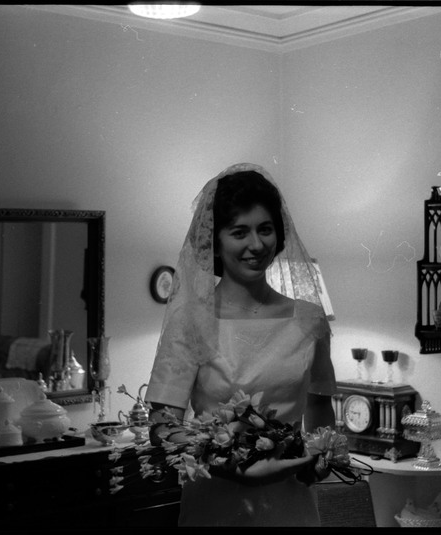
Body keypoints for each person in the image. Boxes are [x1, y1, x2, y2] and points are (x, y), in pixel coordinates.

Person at [144, 162, 337, 526]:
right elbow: (162, 423)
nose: (256, 244)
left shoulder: (309, 319)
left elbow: (320, 408)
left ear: (279, 235)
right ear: (215, 241)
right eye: (239, 232)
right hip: (217, 504)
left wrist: (321, 459)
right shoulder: (191, 320)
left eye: (265, 230)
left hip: (291, 501)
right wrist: (228, 465)